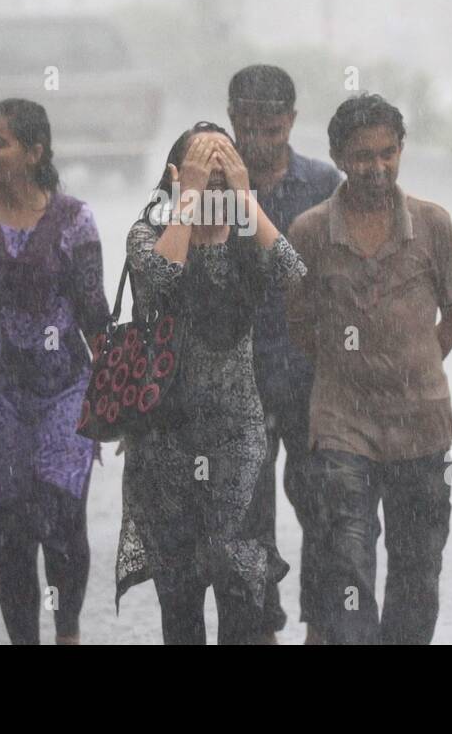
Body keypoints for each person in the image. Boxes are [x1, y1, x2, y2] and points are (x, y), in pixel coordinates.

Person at [287, 93, 452, 645]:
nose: (377, 168)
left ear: (401, 151)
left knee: (418, 568)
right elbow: (300, 327)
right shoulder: (310, 233)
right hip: (343, 423)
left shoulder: (434, 225)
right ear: (339, 157)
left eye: (387, 154)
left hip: (422, 423)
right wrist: (352, 374)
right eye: (363, 156)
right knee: (347, 562)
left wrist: (412, 367)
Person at [115, 122, 306, 644]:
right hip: (166, 443)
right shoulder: (148, 233)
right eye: (205, 172)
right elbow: (161, 278)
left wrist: (245, 198)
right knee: (180, 602)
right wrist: (187, 202)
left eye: (224, 173)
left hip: (238, 442)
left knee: (243, 592)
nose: (214, 186)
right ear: (176, 176)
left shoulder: (246, 235)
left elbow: (293, 272)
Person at [0, 98, 109, 645]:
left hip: (66, 394)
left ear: (34, 152)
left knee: (61, 523)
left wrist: (119, 398)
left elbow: (95, 315)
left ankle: (69, 633)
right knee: (8, 537)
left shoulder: (75, 221)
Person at [226, 65, 340, 644]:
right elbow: (168, 284)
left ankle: (321, 626)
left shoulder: (324, 187)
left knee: (323, 507)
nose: (258, 141)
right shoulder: (203, 191)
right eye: (247, 126)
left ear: (291, 122)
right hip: (232, 381)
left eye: (271, 128)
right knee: (243, 517)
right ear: (230, 119)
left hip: (310, 376)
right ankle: (257, 630)